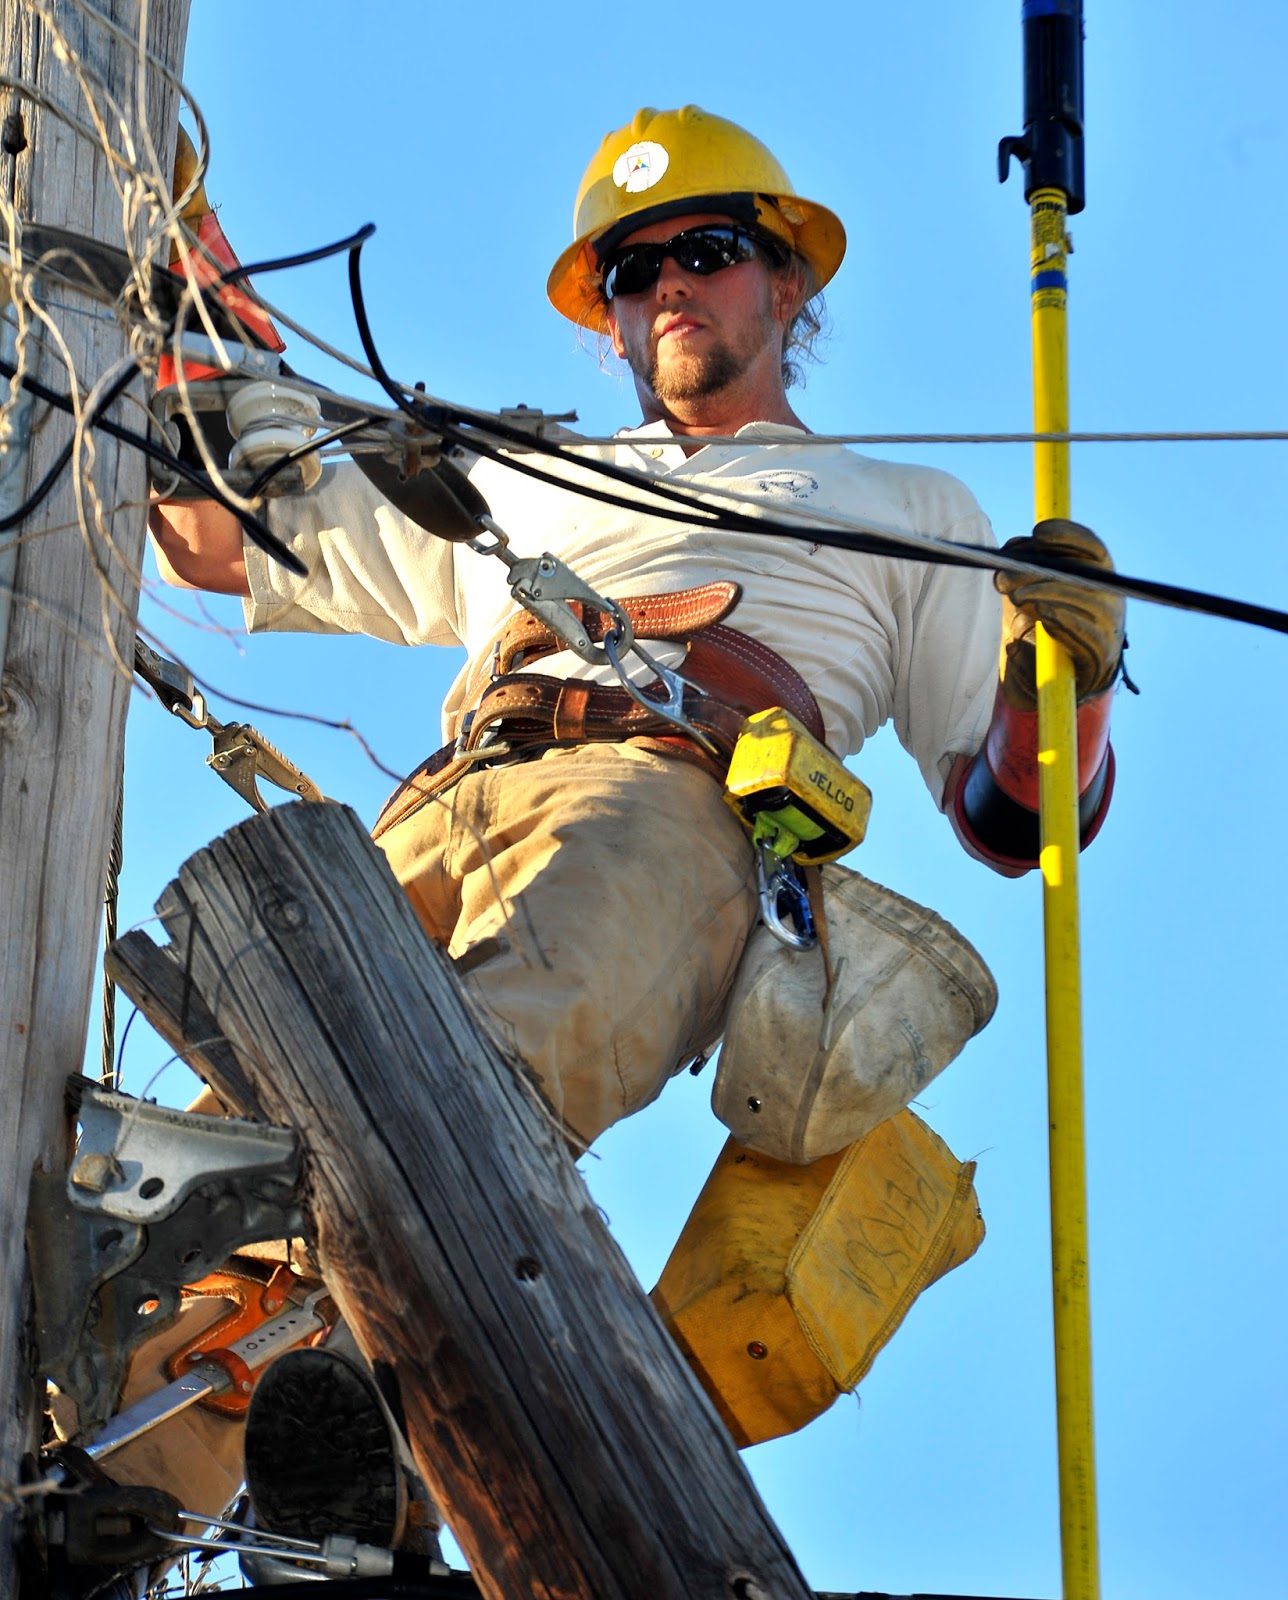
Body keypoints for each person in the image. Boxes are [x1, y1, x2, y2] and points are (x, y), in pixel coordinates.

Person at [143, 104, 1124, 1542]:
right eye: (631, 268)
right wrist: (157, 266)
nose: (667, 285)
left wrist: (1072, 676)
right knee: (213, 1166)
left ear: (788, 286)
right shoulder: (516, 479)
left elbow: (1021, 812)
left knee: (482, 1073)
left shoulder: (903, 505)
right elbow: (224, 528)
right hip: (443, 794)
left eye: (708, 251)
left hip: (668, 806)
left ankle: (363, 1438)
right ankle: (120, 1483)